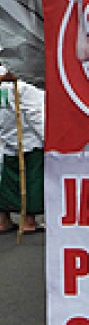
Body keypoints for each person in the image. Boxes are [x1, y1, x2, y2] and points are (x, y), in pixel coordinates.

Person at [0, 68, 43, 233]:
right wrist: (49, 140)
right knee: (31, 182)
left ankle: (4, 220)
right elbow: (36, 115)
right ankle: (28, 221)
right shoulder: (21, 87)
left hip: (7, 138)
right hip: (27, 140)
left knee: (7, 182)